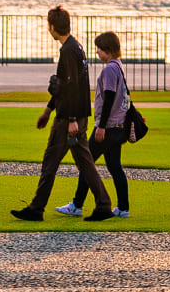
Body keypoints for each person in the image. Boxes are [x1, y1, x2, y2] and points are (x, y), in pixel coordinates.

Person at [10, 5, 114, 222]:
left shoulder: (68, 51)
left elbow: (73, 87)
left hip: (69, 118)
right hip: (75, 115)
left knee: (51, 162)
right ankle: (103, 204)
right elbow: (64, 86)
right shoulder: (76, 47)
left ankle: (37, 208)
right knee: (84, 161)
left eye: (49, 25)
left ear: (53, 27)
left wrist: (72, 120)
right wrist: (48, 110)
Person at [55, 31, 131, 218]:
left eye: (99, 48)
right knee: (114, 166)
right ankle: (123, 208)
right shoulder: (118, 66)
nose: (97, 52)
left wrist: (101, 126)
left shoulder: (110, 69)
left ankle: (77, 204)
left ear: (108, 49)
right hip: (118, 125)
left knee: (86, 163)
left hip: (108, 126)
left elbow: (109, 97)